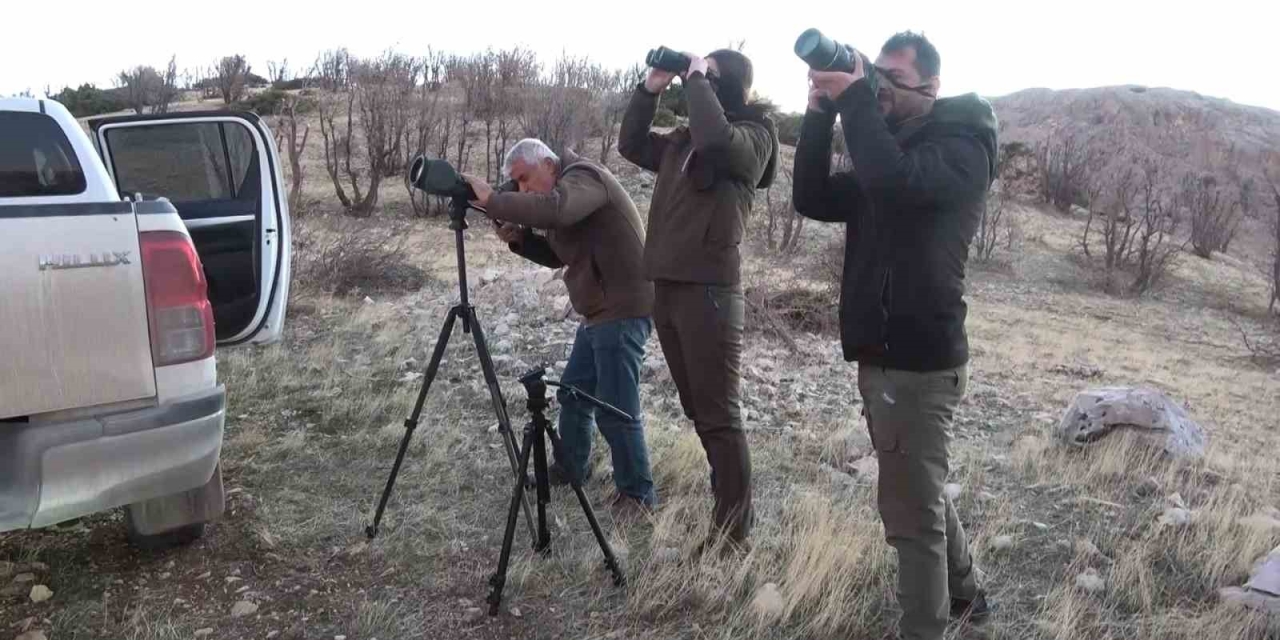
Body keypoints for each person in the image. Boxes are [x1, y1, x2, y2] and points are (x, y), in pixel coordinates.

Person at [792, 31, 998, 639]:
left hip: (919, 362)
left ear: (932, 88)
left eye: (893, 79)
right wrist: (819, 113)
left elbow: (894, 182)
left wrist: (856, 97)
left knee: (909, 515)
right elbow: (811, 197)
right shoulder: (890, 150)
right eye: (874, 73)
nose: (879, 86)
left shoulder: (959, 150)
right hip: (882, 355)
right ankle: (968, 595)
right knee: (918, 486)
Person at [618, 48, 779, 546]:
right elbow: (630, 144)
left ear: (727, 84)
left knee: (719, 415)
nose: (697, 80)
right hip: (666, 286)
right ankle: (724, 499)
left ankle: (733, 532)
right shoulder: (683, 142)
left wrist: (695, 77)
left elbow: (718, 140)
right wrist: (651, 88)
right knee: (698, 409)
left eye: (708, 73)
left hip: (709, 289)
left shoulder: (755, 136)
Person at [463, 138, 657, 512]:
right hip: (600, 309)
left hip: (622, 308)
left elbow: (556, 210)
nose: (522, 190)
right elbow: (558, 255)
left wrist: (493, 200)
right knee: (574, 394)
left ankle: (638, 495)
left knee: (615, 406)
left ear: (549, 164)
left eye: (524, 179)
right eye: (516, 184)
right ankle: (571, 469)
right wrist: (521, 240)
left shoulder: (584, 177)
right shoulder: (564, 194)